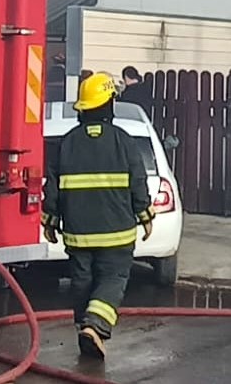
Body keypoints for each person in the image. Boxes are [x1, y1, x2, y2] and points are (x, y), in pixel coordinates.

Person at [42, 72, 155, 359]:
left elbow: (52, 187)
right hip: (117, 234)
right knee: (113, 279)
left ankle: (85, 327)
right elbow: (137, 182)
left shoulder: (66, 143)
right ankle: (95, 326)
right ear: (109, 104)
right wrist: (145, 215)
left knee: (82, 281)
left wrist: (50, 221)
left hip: (78, 233)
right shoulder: (124, 141)